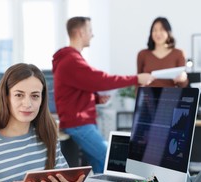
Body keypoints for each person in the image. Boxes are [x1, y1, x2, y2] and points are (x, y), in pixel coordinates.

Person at [52, 16, 154, 173]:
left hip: (82, 122)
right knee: (111, 160)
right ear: (80, 32)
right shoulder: (71, 60)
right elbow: (101, 80)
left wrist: (96, 99)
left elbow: (76, 89)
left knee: (101, 167)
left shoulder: (71, 59)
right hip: (78, 124)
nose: (92, 34)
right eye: (90, 30)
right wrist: (136, 78)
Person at [137, 17, 188, 88]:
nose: (158, 33)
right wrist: (138, 97)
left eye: (161, 30)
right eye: (154, 30)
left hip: (170, 96)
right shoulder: (143, 54)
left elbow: (183, 85)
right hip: (148, 97)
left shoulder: (178, 53)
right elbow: (138, 81)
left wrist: (182, 79)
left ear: (168, 32)